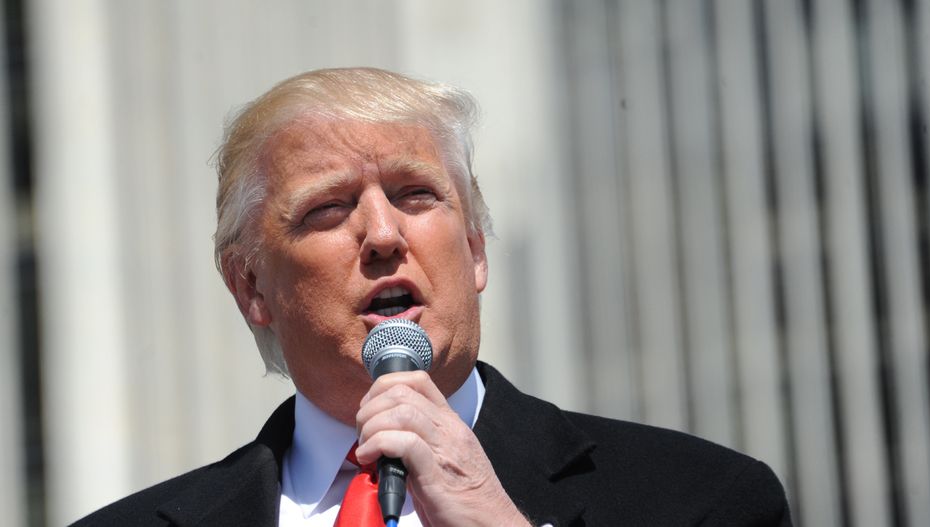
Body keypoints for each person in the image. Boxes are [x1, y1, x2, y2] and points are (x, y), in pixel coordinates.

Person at [72, 68, 791, 526]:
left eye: (416, 194)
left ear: (475, 249)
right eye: (328, 207)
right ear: (252, 287)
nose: (383, 233)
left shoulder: (703, 499)